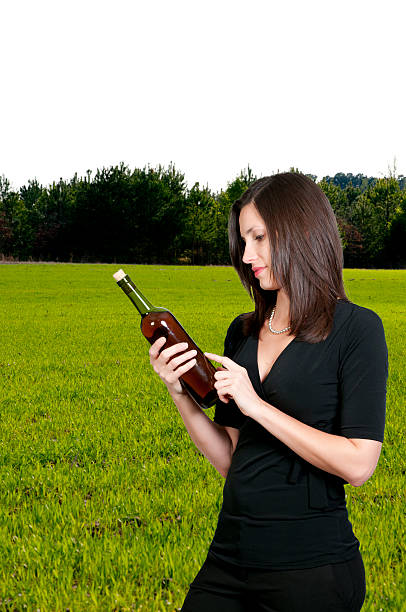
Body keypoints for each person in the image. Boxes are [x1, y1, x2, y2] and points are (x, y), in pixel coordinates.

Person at [149, 172, 388, 612]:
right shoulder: (242, 332)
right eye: (243, 240)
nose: (247, 255)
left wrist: (257, 406)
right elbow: (230, 457)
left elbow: (359, 463)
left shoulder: (357, 330)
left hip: (311, 568)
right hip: (230, 556)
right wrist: (180, 394)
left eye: (259, 237)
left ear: (301, 232)